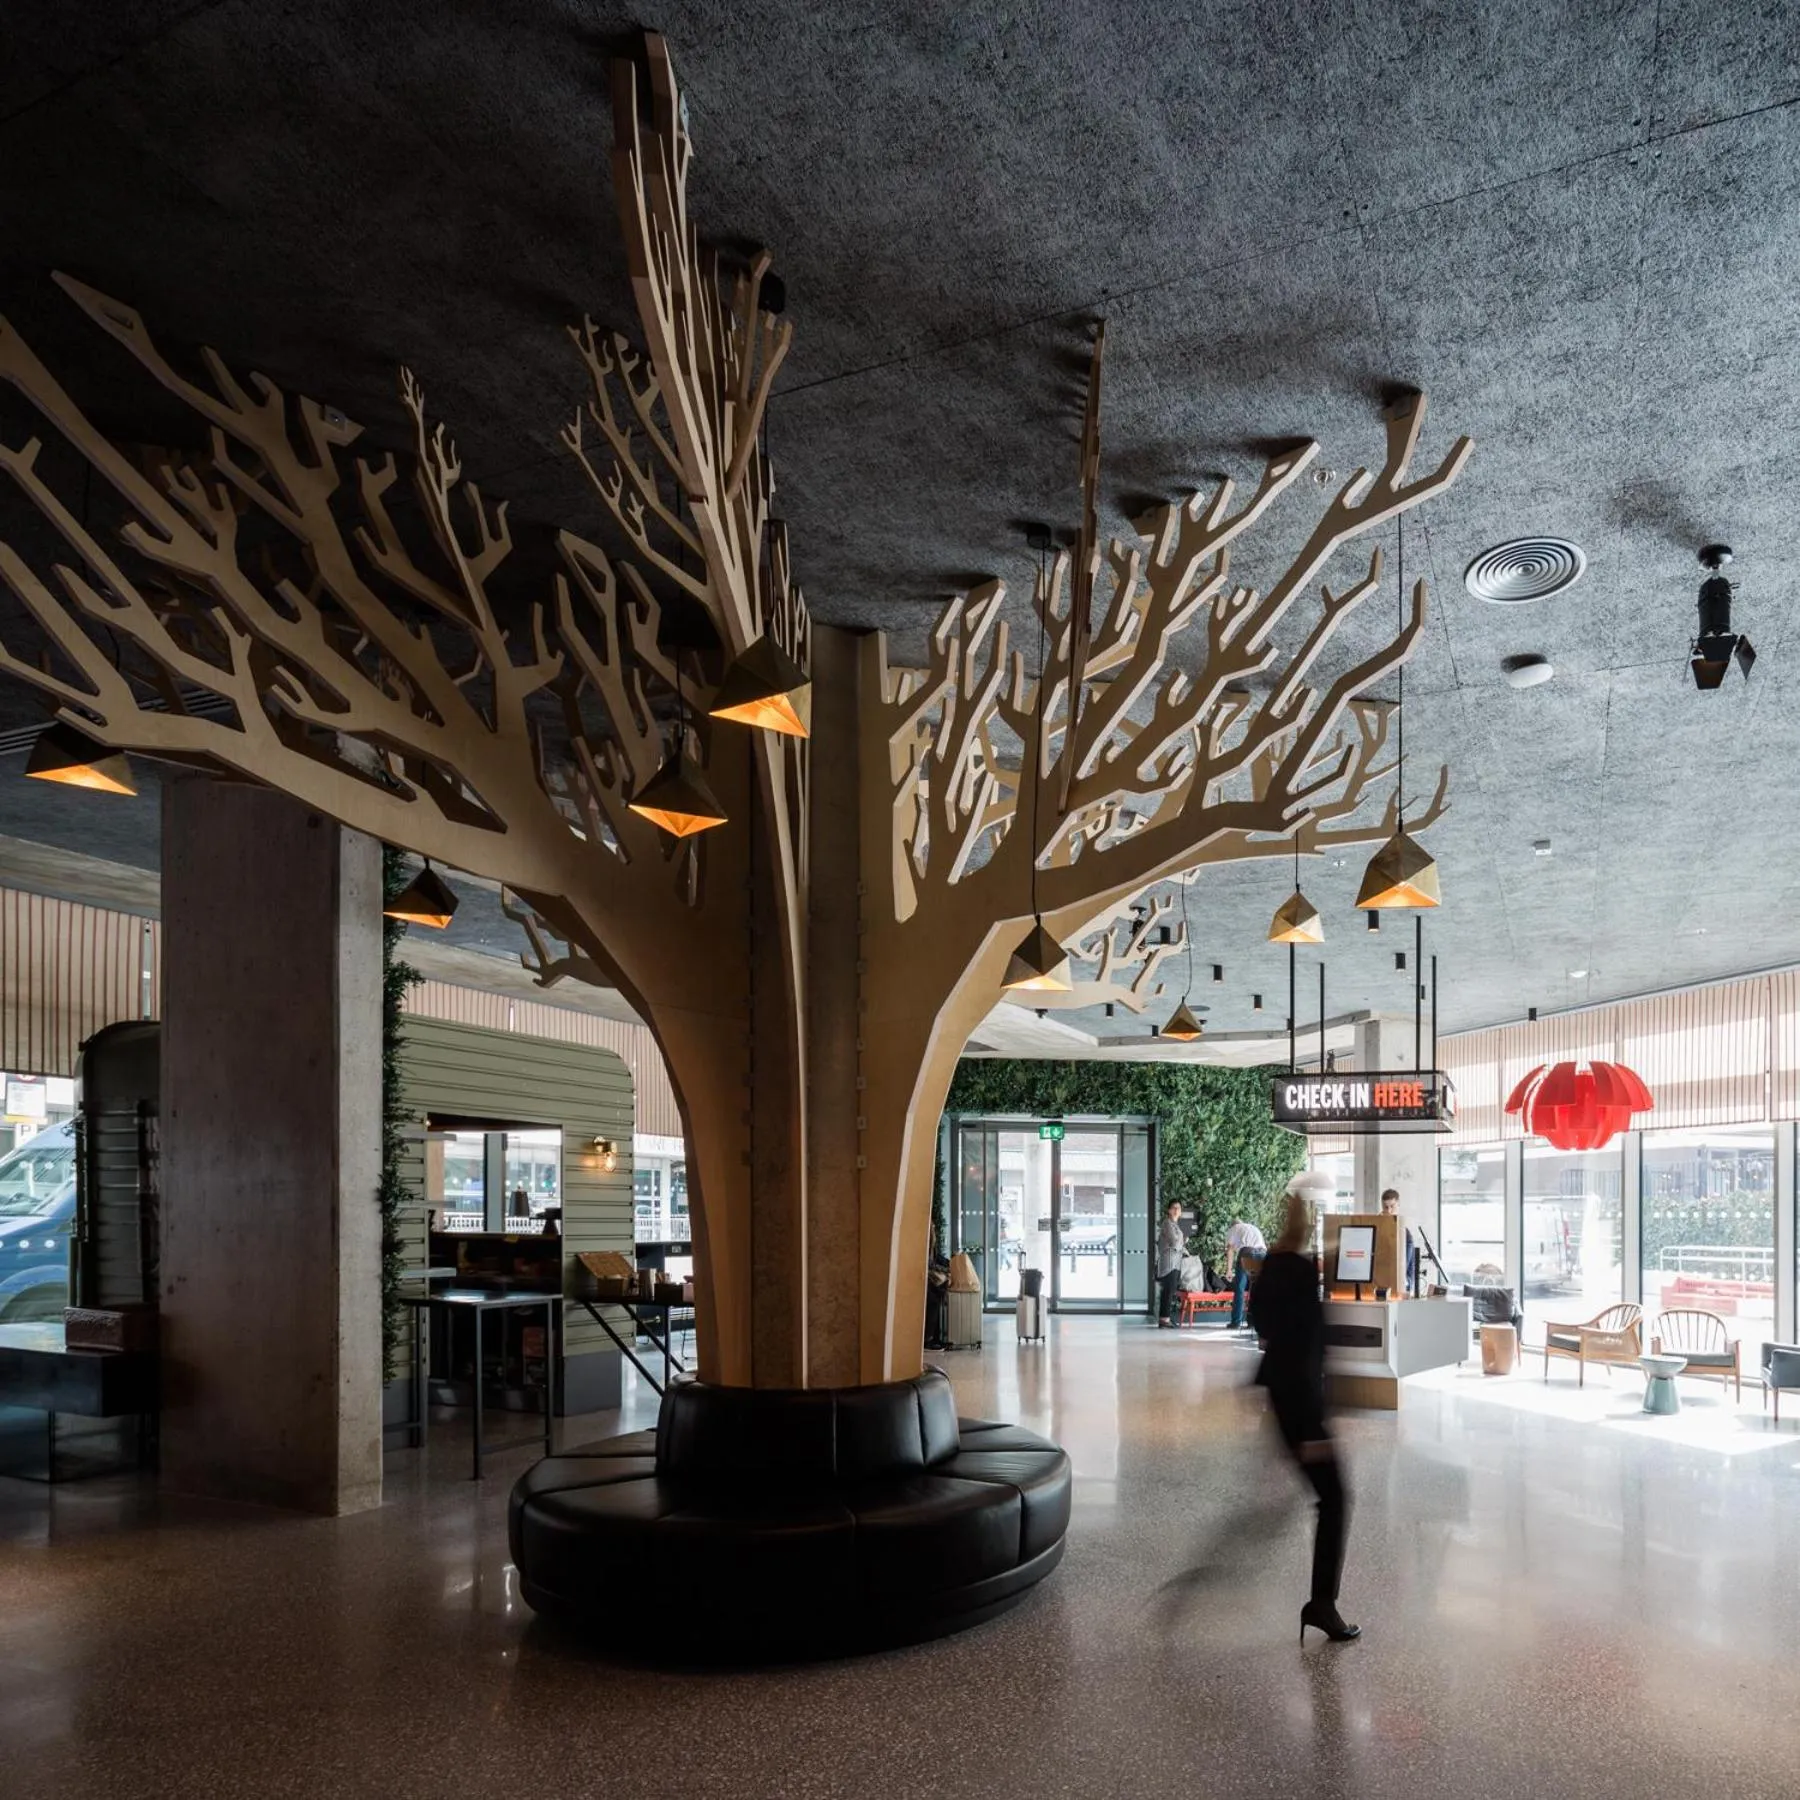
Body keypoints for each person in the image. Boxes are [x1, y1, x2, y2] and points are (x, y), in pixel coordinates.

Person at [1249, 1186, 1359, 1643]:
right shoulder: (1296, 1269)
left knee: (1328, 1497)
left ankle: (1322, 1602)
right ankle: (1321, 1604)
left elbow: (1261, 1323)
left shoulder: (1273, 1264)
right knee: (1334, 1499)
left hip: (1282, 1398)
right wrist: (1316, 1423)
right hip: (1301, 1406)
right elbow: (1306, 1348)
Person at [1224, 1216, 1266, 1329]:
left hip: (1247, 1253)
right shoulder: (1252, 1228)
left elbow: (1230, 1250)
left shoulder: (1234, 1229)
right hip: (1262, 1254)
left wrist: (1229, 1270)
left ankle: (1236, 1322)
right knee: (1255, 1289)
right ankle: (1252, 1322)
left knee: (1240, 1288)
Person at [1379, 1188, 1419, 1292]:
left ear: (1398, 1205)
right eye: (1385, 1207)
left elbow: (1401, 1268)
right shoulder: (1379, 1227)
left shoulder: (1405, 1234)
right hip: (1383, 1280)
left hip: (1402, 1283)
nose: (1389, 1211)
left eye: (1392, 1206)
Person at [1155, 1199, 1186, 1327]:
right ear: (1169, 1210)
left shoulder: (1175, 1225)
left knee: (1170, 1290)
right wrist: (1183, 1241)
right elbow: (1174, 1242)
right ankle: (1164, 1320)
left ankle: (1165, 1318)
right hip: (1168, 1264)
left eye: (1178, 1208)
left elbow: (1178, 1243)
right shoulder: (1167, 1223)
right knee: (1168, 1291)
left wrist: (1181, 1243)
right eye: (1173, 1207)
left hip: (1175, 1263)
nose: (1176, 1210)